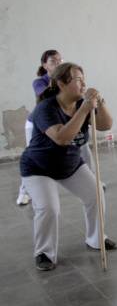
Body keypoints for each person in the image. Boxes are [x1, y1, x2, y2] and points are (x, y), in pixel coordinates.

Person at [20, 63, 116, 271]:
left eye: (83, 79)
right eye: (78, 80)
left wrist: (100, 103)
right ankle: (44, 252)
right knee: (49, 208)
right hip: (38, 167)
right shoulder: (46, 108)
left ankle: (96, 238)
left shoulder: (82, 103)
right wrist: (84, 109)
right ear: (61, 84)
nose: (83, 84)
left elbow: (106, 125)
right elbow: (62, 138)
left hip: (70, 164)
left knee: (96, 194)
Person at [17, 50, 63, 206]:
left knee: (82, 149)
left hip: (56, 123)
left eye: (60, 60)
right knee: (34, 158)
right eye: (53, 61)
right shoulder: (39, 82)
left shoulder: (65, 79)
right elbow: (45, 94)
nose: (58, 63)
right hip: (35, 125)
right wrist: (57, 80)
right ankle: (23, 192)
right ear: (45, 65)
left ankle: (93, 182)